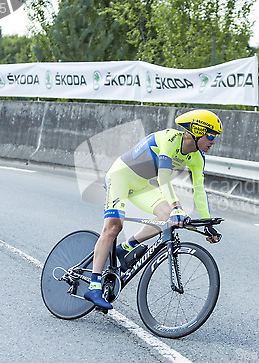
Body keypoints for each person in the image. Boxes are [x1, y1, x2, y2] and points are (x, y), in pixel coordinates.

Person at [84, 109, 223, 309]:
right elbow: (163, 178)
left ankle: (126, 248)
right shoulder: (170, 138)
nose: (213, 141)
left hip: (140, 185)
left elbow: (199, 191)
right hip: (120, 176)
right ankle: (94, 286)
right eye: (210, 136)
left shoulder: (197, 158)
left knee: (166, 216)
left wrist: (207, 221)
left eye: (215, 137)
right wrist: (177, 206)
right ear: (197, 131)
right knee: (114, 227)